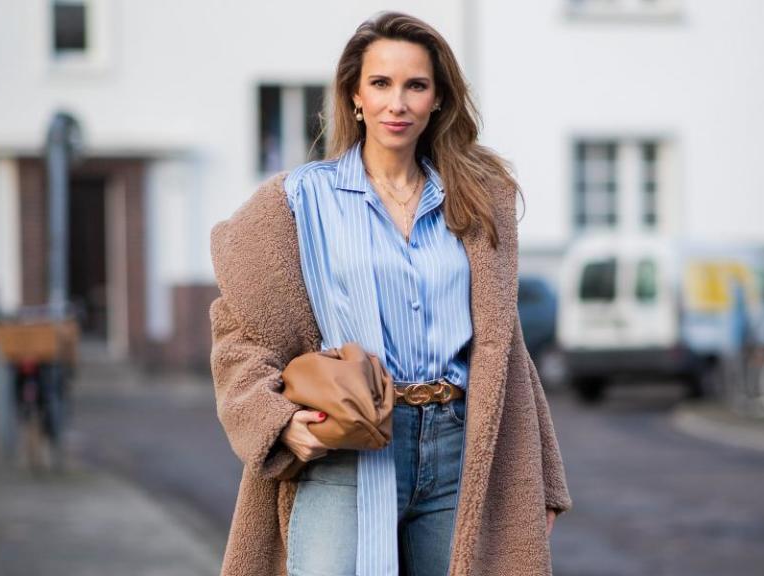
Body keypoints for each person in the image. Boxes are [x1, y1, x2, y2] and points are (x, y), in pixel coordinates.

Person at [209, 12, 571, 576]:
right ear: (355, 95)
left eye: (415, 85)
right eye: (380, 84)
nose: (396, 103)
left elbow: (505, 348)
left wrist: (540, 478)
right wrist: (276, 421)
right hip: (348, 444)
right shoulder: (297, 201)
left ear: (437, 100)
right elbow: (240, 332)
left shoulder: (475, 203)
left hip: (458, 450)